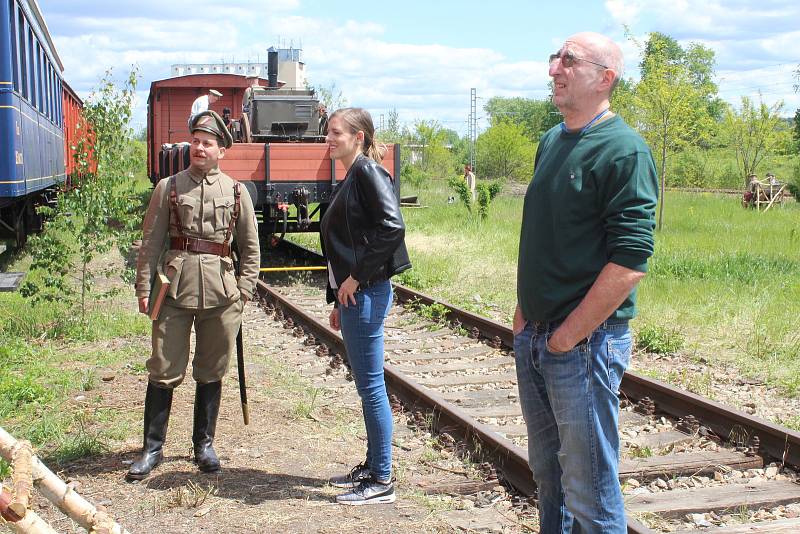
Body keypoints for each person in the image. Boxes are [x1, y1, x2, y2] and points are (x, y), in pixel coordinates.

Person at [513, 32, 658, 532]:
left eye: (568, 61)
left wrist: (568, 336)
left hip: (584, 345)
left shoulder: (624, 150)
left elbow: (631, 259)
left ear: (605, 77)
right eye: (554, 58)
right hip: (537, 337)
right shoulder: (552, 141)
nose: (554, 69)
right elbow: (545, 233)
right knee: (549, 479)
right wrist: (525, 312)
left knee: (590, 493)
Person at [129, 110, 260, 480]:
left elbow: (250, 249)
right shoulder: (168, 187)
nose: (199, 148)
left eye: (208, 143)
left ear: (222, 150)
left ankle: (203, 445)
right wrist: (143, 288)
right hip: (174, 292)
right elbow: (151, 243)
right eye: (196, 141)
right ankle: (152, 449)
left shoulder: (236, 192)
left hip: (222, 296)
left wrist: (244, 292)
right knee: (163, 370)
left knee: (211, 370)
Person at [320, 107, 411, 505]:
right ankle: (374, 465)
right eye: (328, 132)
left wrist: (356, 277)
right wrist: (337, 294)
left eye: (336, 132)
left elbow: (393, 226)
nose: (329, 138)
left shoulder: (367, 173)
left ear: (359, 137)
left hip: (367, 292)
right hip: (356, 295)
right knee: (367, 385)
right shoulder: (351, 176)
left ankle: (382, 479)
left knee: (371, 387)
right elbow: (345, 241)